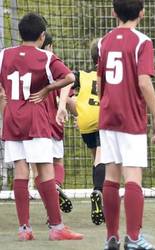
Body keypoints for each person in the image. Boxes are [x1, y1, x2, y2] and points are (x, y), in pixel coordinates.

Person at [0, 13, 83, 240]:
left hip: (12, 118)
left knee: (20, 170)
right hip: (35, 119)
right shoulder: (45, 57)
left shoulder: (3, 55)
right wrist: (47, 89)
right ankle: (56, 227)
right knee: (46, 170)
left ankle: (24, 229)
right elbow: (69, 78)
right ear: (42, 35)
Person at [97, 1, 155, 249]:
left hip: (108, 114)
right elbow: (144, 82)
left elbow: (101, 79)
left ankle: (111, 237)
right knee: (133, 177)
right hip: (131, 115)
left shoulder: (104, 41)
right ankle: (134, 239)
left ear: (114, 12)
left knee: (111, 176)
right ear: (142, 13)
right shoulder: (142, 41)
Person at [31, 31, 74, 214]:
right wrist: (70, 109)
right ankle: (56, 187)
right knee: (57, 162)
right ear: (49, 46)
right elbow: (68, 82)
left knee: (37, 171)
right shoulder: (53, 64)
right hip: (53, 121)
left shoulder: (24, 64)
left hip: (31, 123)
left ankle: (51, 206)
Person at [68, 38, 106, 225]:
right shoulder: (110, 75)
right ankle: (98, 191)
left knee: (96, 157)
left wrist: (68, 107)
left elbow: (65, 81)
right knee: (102, 157)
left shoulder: (82, 75)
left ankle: (100, 193)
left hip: (85, 122)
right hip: (103, 119)